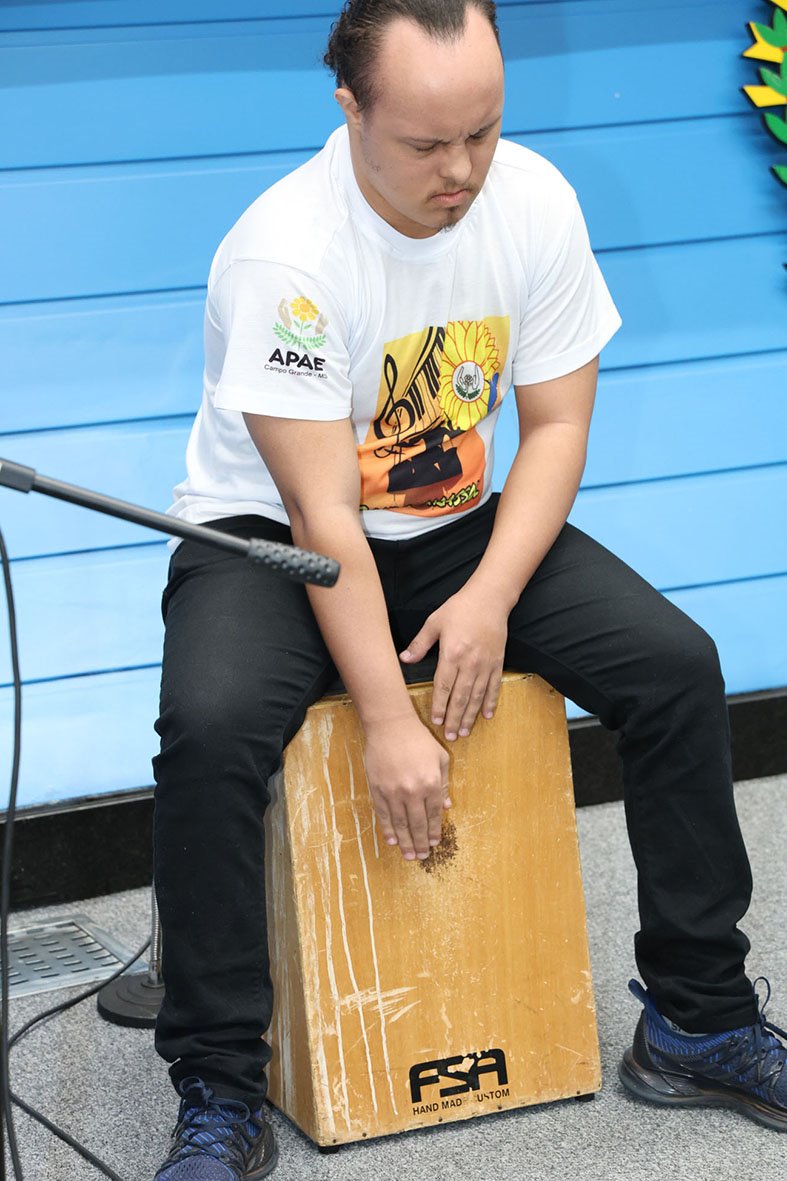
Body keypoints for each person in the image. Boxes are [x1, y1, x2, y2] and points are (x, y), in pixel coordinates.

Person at [150, 1, 787, 1177]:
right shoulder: (285, 254)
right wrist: (388, 720)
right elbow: (321, 515)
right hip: (270, 538)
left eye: (482, 133)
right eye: (426, 144)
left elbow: (555, 428)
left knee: (673, 667)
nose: (460, 171)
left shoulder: (533, 200)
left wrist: (491, 595)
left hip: (454, 526)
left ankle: (696, 1018)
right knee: (211, 721)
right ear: (350, 108)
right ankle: (220, 1085)